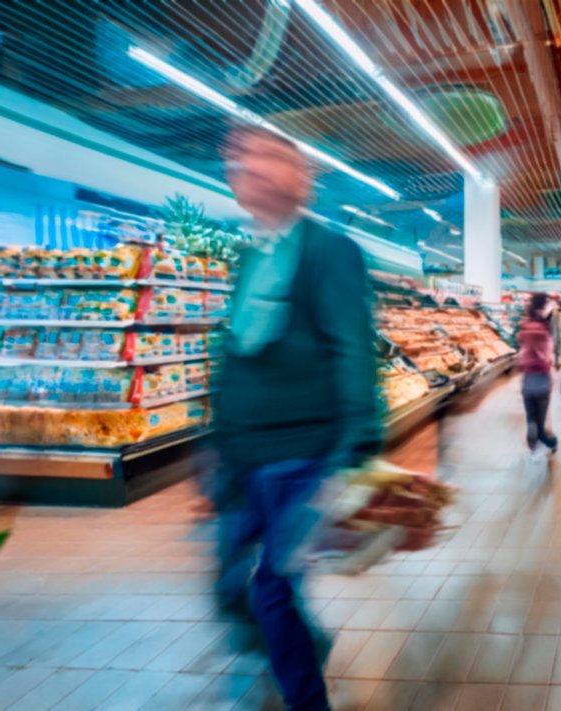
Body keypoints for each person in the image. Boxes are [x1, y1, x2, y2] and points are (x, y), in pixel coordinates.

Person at [211, 124, 386, 711]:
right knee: (230, 589)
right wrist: (218, 445)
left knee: (273, 588)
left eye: (267, 156)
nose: (249, 167)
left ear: (302, 179)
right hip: (242, 455)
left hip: (304, 453)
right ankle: (305, 641)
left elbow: (351, 347)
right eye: (240, 159)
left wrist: (357, 449)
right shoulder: (245, 253)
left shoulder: (329, 251)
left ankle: (306, 699)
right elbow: (235, 350)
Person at [517, 293, 559, 455]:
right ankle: (551, 442)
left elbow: (522, 353)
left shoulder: (525, 326)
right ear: (542, 307)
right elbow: (545, 356)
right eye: (548, 305)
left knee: (531, 417)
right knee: (540, 419)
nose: (550, 308)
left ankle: (532, 444)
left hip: (527, 378)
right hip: (541, 377)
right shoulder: (542, 329)